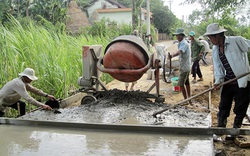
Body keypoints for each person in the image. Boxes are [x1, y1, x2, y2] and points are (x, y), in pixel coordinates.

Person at [204, 23, 250, 128]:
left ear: (218, 35)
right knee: (223, 106)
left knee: (240, 107)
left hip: (242, 81)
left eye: (210, 37)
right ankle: (221, 129)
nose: (210, 40)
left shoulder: (236, 41)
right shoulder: (215, 49)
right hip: (228, 81)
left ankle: (235, 131)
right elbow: (219, 68)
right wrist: (218, 82)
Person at [169, 28, 191, 99]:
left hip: (184, 67)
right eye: (176, 36)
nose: (177, 37)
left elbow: (179, 51)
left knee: (181, 84)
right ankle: (189, 98)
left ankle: (186, 99)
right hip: (185, 66)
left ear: (182, 36)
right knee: (187, 82)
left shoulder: (184, 43)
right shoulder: (182, 43)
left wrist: (172, 55)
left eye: (177, 35)